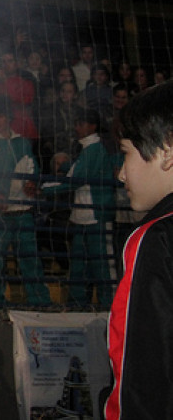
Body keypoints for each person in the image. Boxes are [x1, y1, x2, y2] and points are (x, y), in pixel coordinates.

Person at [105, 80, 173, 420]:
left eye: (127, 153)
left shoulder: (154, 238)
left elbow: (142, 371)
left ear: (166, 150)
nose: (120, 174)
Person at [0, 101, 51, 307]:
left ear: (8, 118)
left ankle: (39, 301)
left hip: (22, 208)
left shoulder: (22, 142)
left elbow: (33, 165)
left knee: (29, 258)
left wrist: (33, 181)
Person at [41, 109, 115, 306]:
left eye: (81, 124)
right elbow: (79, 173)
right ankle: (85, 303)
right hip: (85, 215)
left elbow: (77, 180)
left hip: (93, 215)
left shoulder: (93, 150)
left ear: (92, 126)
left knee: (96, 265)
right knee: (83, 264)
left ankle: (101, 304)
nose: (77, 128)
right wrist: (66, 168)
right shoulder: (90, 150)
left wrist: (45, 189)